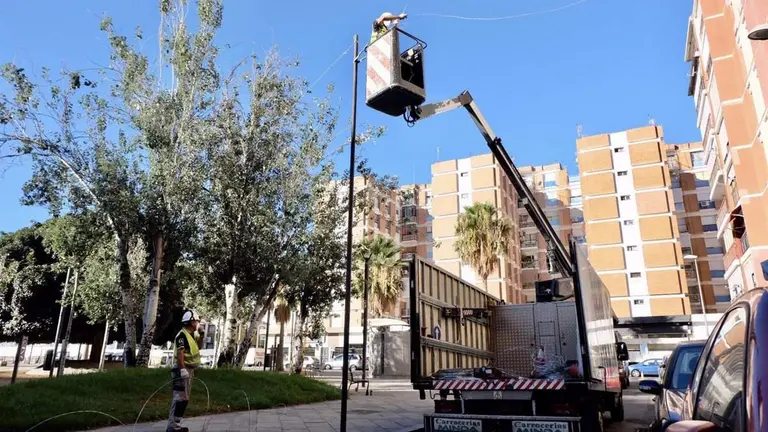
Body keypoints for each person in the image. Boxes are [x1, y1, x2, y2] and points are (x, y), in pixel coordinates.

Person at [167, 310, 201, 432]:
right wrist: (182, 369)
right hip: (182, 370)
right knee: (179, 398)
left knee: (184, 399)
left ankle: (176, 425)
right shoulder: (182, 336)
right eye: (197, 321)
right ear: (191, 322)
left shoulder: (191, 335)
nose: (198, 323)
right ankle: (172, 427)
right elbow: (180, 353)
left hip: (188, 370)